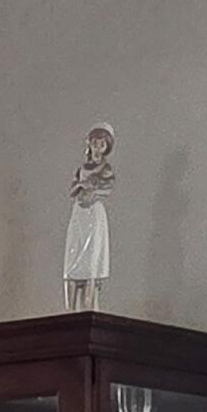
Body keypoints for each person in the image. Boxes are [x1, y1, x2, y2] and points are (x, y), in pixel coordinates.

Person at [63, 124, 115, 311]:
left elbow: (107, 187)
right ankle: (70, 307)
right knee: (74, 252)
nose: (98, 147)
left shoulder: (105, 168)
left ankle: (89, 301)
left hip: (93, 213)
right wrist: (80, 186)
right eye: (95, 143)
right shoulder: (82, 168)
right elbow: (73, 189)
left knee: (92, 255)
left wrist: (93, 189)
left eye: (102, 144)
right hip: (80, 213)